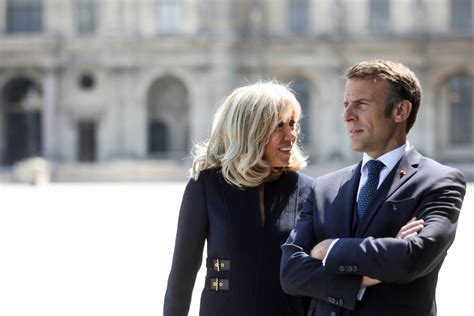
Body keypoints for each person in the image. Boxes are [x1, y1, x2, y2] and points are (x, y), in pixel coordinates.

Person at [280, 60, 466, 316]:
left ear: (400, 111)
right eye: (346, 105)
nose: (347, 116)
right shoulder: (324, 187)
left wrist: (330, 248)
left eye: (362, 104)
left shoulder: (439, 181)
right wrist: (372, 269)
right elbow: (291, 272)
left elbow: (413, 257)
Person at [164, 81, 314, 316]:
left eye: (293, 124)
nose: (291, 135)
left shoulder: (308, 190)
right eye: (279, 126)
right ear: (250, 130)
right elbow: (182, 275)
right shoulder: (205, 186)